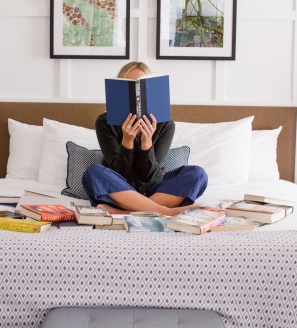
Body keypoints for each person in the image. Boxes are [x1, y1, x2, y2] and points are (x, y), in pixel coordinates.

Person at [82, 62, 208, 216]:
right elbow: (120, 173)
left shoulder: (165, 125)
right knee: (93, 172)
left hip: (155, 189)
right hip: (120, 190)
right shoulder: (104, 122)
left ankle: (126, 211)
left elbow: (149, 176)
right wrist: (127, 141)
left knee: (197, 173)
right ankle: (163, 211)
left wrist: (146, 142)